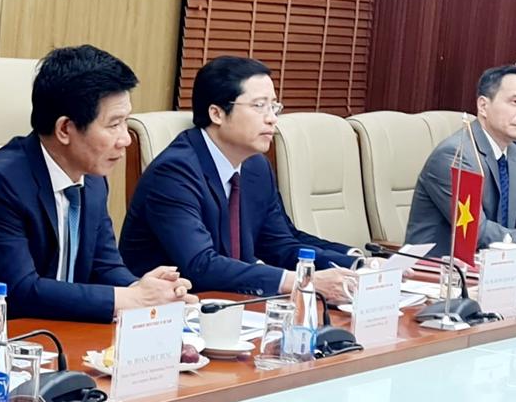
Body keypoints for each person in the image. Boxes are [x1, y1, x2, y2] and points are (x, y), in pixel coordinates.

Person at [0, 46, 192, 327]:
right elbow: (21, 291)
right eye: (113, 124)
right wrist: (129, 298)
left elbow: (104, 266)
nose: (125, 139)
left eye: (126, 122)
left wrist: (145, 290)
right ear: (65, 129)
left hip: (58, 331)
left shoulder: (92, 178)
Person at [119, 56, 357, 300]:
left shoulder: (255, 166)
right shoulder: (174, 172)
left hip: (230, 304)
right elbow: (201, 264)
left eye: (274, 107)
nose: (272, 118)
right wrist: (302, 281)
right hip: (171, 307)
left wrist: (356, 264)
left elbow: (279, 243)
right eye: (259, 106)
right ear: (217, 114)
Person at [404, 65, 516, 258]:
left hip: (492, 265)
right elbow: (477, 232)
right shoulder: (455, 156)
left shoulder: (515, 155)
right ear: (483, 106)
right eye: (515, 102)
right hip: (436, 269)